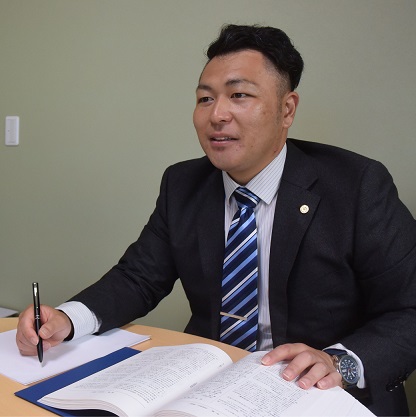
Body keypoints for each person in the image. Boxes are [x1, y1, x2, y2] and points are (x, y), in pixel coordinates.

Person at [16, 24, 416, 416]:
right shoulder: (183, 184)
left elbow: (408, 309)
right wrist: (68, 319)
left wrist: (339, 363)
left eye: (239, 95)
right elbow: (139, 277)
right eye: (205, 99)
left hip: (317, 396)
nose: (217, 115)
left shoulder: (356, 185)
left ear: (287, 109)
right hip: (210, 392)